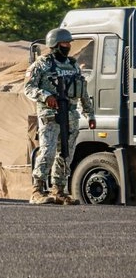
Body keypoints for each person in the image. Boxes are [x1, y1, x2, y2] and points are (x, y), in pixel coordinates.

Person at [24, 27, 95, 205]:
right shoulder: (41, 64)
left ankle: (59, 190)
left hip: (71, 115)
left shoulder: (72, 65)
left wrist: (90, 114)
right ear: (54, 45)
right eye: (64, 43)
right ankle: (37, 190)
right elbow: (28, 88)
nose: (68, 46)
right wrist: (46, 96)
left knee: (66, 154)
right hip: (50, 115)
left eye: (69, 43)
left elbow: (83, 91)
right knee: (47, 152)